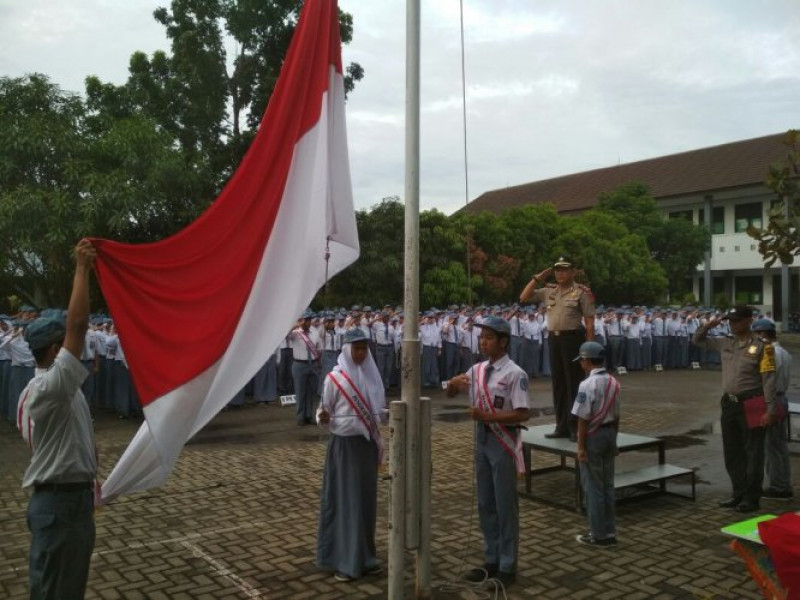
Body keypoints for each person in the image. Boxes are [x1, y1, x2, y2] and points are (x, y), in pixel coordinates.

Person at [16, 239, 97, 599]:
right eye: (62, 341)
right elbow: (78, 325)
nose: (71, 342)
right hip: (60, 507)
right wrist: (81, 268)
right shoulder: (50, 387)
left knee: (62, 588)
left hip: (68, 501)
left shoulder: (54, 388)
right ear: (54, 350)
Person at [446, 316, 531, 588]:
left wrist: (487, 415)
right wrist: (451, 385)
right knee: (485, 503)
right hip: (482, 441)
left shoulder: (515, 374)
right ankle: (491, 558)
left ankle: (508, 564)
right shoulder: (478, 370)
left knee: (505, 504)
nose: (483, 342)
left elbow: (522, 413)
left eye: (489, 337)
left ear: (503, 342)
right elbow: (451, 393)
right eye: (482, 337)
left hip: (503, 441)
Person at [316, 328, 386, 582]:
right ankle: (344, 560)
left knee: (365, 502)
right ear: (347, 349)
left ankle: (365, 557)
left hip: (365, 445)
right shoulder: (335, 379)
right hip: (344, 448)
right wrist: (322, 417)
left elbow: (378, 410)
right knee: (347, 503)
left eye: (364, 348)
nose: (360, 352)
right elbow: (323, 411)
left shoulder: (370, 375)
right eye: (356, 348)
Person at [692, 305, 777, 513]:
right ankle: (738, 493)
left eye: (737, 320)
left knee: (753, 452)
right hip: (729, 403)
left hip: (753, 402)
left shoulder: (763, 346)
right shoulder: (725, 342)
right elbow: (697, 341)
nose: (732, 324)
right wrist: (708, 325)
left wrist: (770, 410)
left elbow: (769, 380)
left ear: (749, 321)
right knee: (732, 452)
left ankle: (751, 497)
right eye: (730, 320)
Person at [520, 255, 595, 441]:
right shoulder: (549, 291)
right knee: (558, 384)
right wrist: (539, 277)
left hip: (573, 339)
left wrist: (589, 350)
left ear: (573, 271)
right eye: (557, 270)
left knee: (574, 385)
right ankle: (561, 426)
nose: (560, 273)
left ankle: (574, 427)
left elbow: (590, 323)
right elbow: (524, 297)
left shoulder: (581, 292)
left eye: (564, 269)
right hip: (554, 340)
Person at [571, 341, 621, 547]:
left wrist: (580, 447)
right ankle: (609, 531)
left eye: (582, 360)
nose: (581, 364)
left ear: (587, 361)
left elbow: (583, 418)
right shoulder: (613, 382)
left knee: (593, 488)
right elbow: (617, 415)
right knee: (608, 486)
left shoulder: (587, 384)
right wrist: (615, 440)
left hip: (593, 436)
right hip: (609, 434)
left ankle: (598, 535)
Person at [751, 318, 793, 500]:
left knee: (773, 446)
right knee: (779, 445)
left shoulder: (771, 352)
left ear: (762, 334)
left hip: (772, 399)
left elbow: (766, 379)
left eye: (756, 335)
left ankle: (779, 487)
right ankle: (782, 483)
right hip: (781, 397)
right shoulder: (784, 352)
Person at [288, 309, 323, 425]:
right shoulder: (295, 333)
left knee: (311, 392)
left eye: (309, 319)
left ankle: (309, 415)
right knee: (300, 392)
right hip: (299, 364)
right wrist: (297, 325)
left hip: (313, 364)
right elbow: (285, 335)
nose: (307, 322)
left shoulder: (314, 331)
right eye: (305, 320)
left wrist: (318, 362)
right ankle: (300, 417)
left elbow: (319, 347)